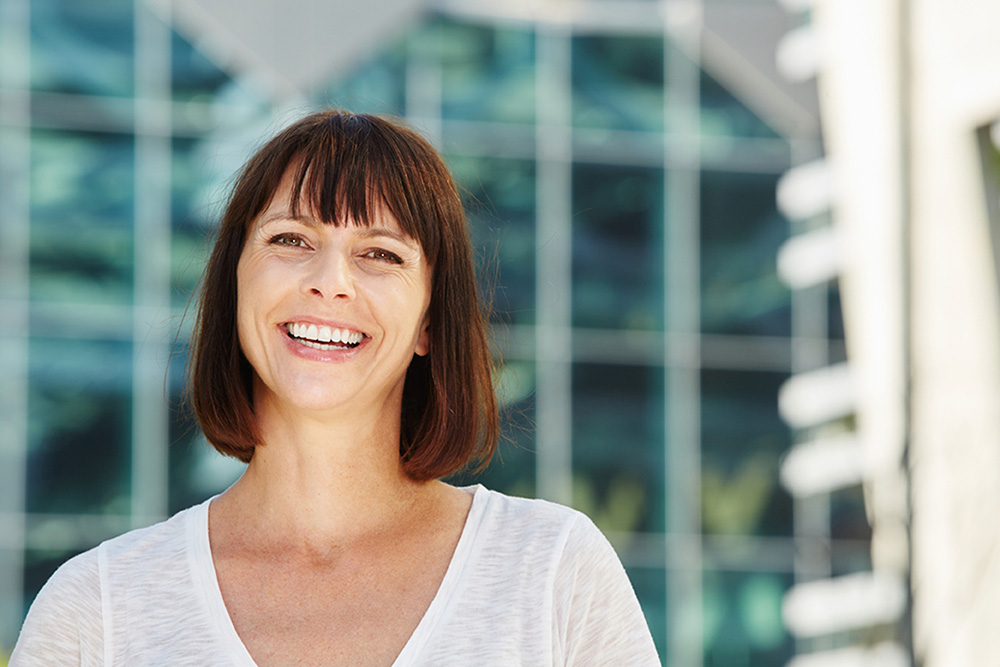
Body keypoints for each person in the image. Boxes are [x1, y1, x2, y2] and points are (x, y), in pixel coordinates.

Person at [11, 110, 660, 665]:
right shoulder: (96, 611)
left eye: (380, 253)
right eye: (291, 239)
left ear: (429, 321)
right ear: (235, 285)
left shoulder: (550, 572)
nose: (330, 281)